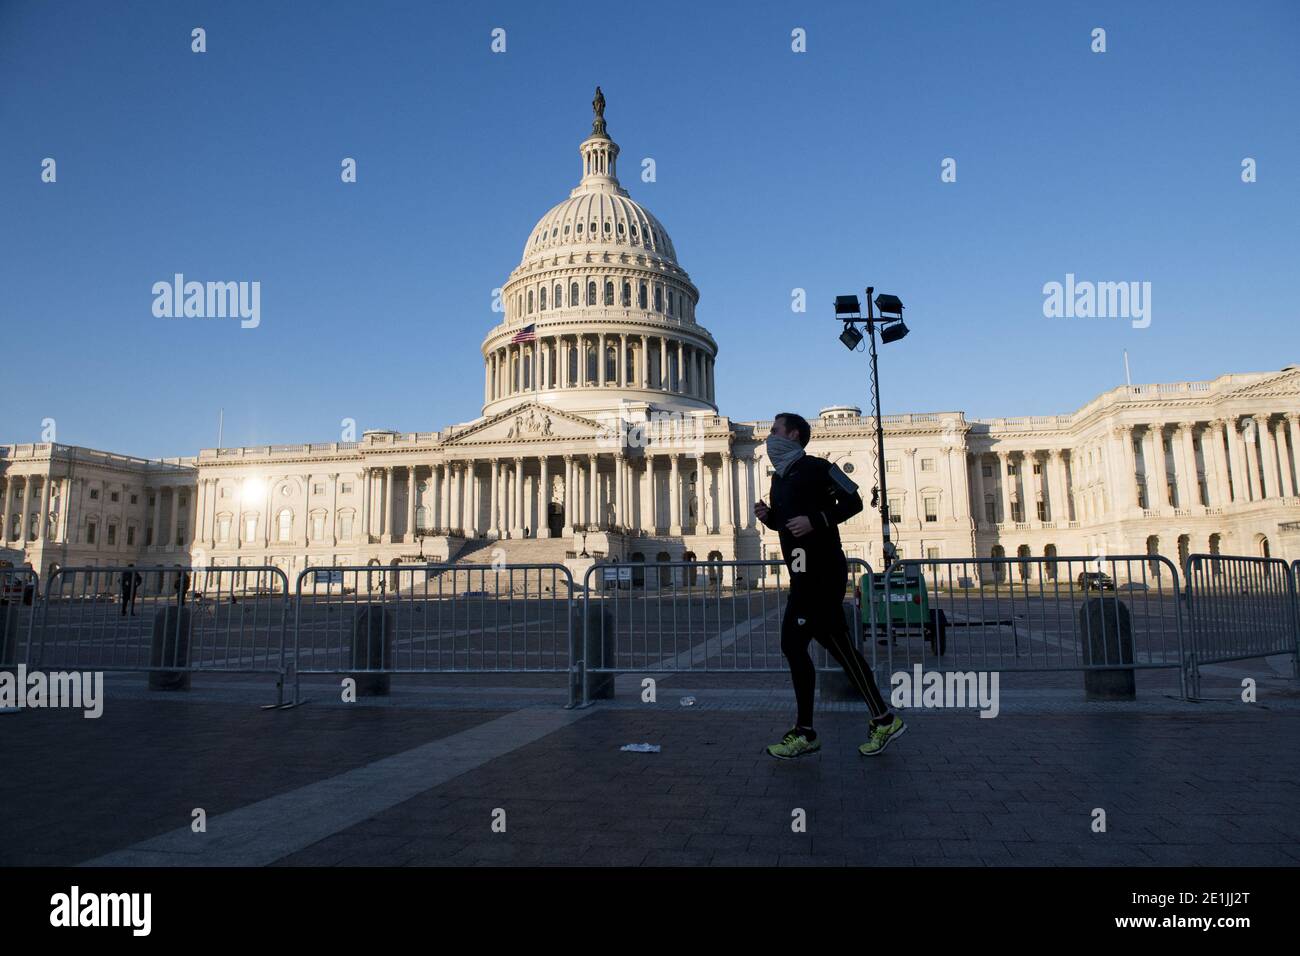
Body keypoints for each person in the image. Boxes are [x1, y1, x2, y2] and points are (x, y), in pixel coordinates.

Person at [755, 412, 906, 759]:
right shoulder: (779, 478)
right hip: (801, 572)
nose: (769, 436)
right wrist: (770, 517)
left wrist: (817, 520)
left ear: (793, 435)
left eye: (775, 430)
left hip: (823, 571)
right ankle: (878, 718)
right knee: (833, 648)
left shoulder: (820, 467)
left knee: (800, 645)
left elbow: (853, 501)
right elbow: (787, 523)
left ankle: (813, 731)